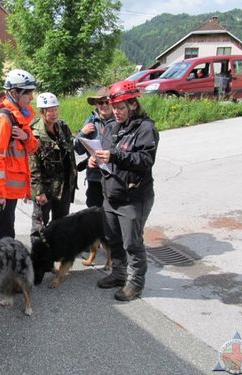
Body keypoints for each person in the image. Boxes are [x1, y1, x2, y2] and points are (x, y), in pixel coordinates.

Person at [92, 80, 159, 301]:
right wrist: (95, 159)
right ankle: (119, 274)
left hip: (133, 196)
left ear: (133, 103)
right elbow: (106, 152)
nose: (116, 112)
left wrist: (115, 156)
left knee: (132, 242)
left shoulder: (145, 128)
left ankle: (136, 283)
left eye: (121, 107)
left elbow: (145, 160)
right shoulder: (112, 126)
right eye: (114, 107)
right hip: (111, 194)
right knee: (113, 238)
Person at [0, 69, 39, 244]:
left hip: (11, 189)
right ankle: (0, 270)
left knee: (4, 232)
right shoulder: (3, 119)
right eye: (28, 93)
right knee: (4, 234)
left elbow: (33, 148)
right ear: (15, 93)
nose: (31, 97)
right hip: (3, 190)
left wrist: (26, 137)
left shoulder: (19, 118)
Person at [29, 92, 77, 244]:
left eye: (55, 109)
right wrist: (39, 191)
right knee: (40, 226)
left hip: (63, 186)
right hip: (45, 187)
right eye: (50, 110)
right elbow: (33, 165)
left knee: (62, 223)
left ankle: (57, 254)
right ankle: (38, 258)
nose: (54, 113)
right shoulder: (35, 133)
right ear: (42, 112)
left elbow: (70, 154)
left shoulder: (63, 127)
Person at [74, 87, 115, 208]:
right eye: (100, 102)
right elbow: (79, 150)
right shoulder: (90, 121)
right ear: (96, 105)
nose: (104, 105)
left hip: (113, 177)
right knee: (94, 213)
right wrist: (82, 133)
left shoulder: (119, 121)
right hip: (94, 177)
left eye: (107, 102)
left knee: (112, 213)